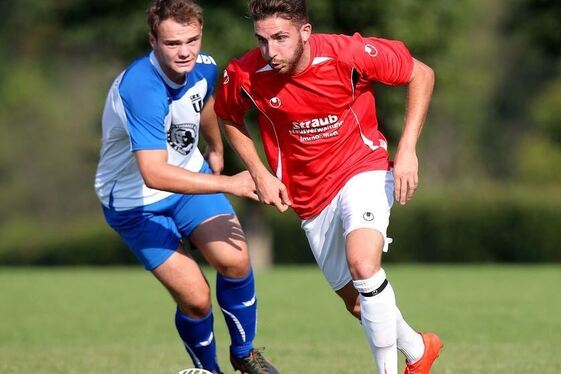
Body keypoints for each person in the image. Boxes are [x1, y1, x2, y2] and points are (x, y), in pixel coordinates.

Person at [213, 0, 442, 373]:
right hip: (309, 196)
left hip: (362, 167)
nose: (271, 51)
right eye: (262, 40)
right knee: (358, 303)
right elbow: (227, 115)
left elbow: (422, 74)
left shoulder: (346, 53)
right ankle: (419, 350)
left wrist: (408, 150)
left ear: (306, 32)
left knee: (363, 265)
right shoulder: (245, 73)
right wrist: (259, 172)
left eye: (281, 38)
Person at [93, 1, 279, 373]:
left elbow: (205, 103)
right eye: (172, 43)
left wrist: (215, 146)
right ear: (153, 41)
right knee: (196, 298)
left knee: (236, 259)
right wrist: (230, 183)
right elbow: (154, 174)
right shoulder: (141, 89)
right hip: (135, 203)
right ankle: (207, 371)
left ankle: (244, 354)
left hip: (186, 178)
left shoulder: (204, 66)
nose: (184, 52)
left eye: (191, 40)